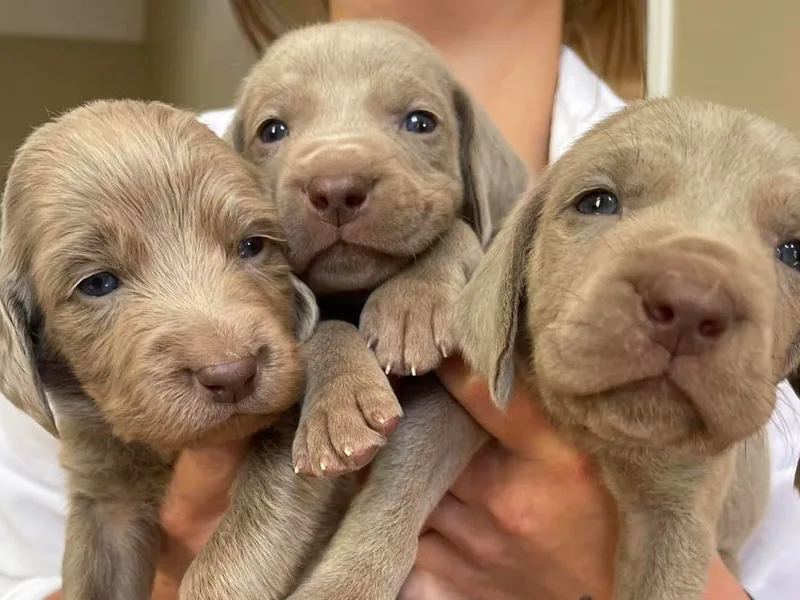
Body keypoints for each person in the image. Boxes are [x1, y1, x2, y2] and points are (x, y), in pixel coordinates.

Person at [1, 1, 798, 599]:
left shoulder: (737, 219)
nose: (335, 174)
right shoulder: (134, 172)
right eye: (274, 133)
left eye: (417, 121)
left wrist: (623, 553)